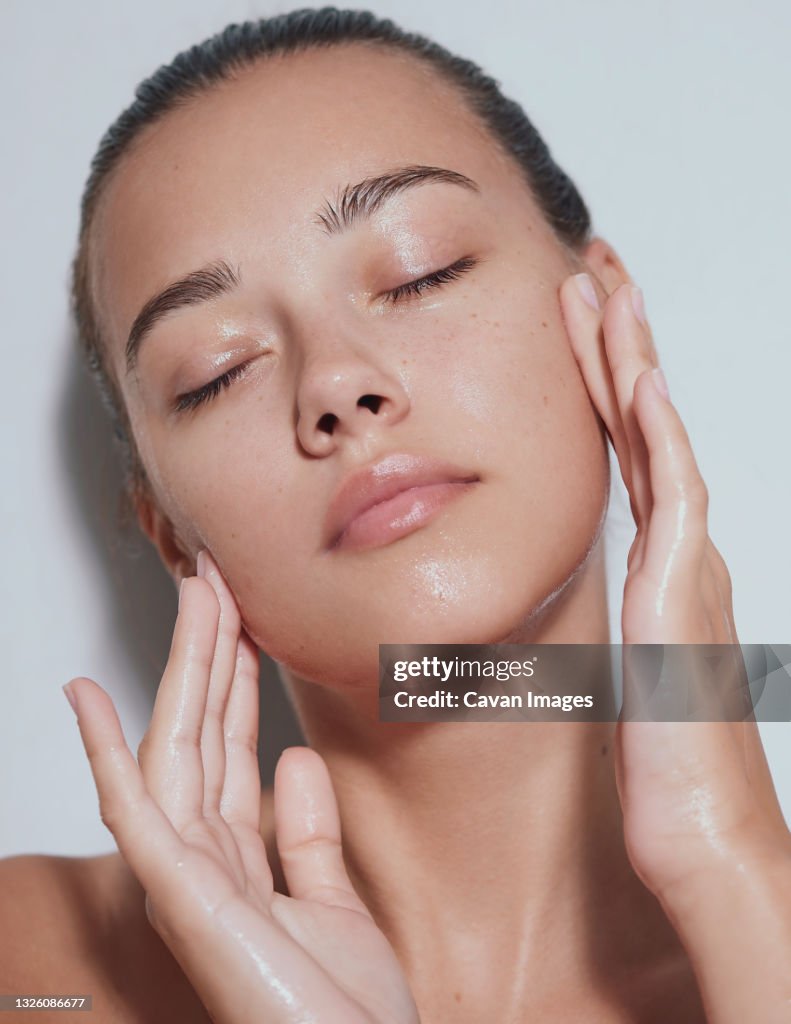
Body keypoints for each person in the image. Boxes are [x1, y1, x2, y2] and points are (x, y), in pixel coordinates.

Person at [2, 8, 789, 1023]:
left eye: (422, 272)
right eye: (216, 372)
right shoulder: (33, 965)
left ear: (604, 311)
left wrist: (731, 863)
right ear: (167, 529)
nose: (335, 384)